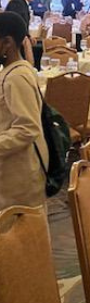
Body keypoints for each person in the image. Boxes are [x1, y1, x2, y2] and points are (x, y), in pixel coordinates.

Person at [0, 11, 48, 210]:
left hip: (19, 176)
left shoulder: (16, 77)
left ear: (7, 43)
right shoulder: (17, 70)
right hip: (14, 169)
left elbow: (27, 128)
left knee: (20, 235)